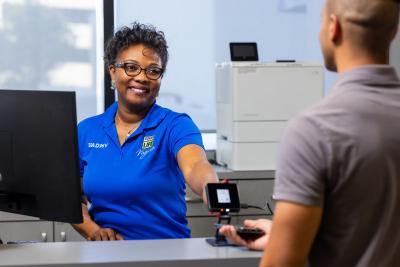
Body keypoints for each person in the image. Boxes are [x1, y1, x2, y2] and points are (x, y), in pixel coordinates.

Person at [220, 0, 400, 266]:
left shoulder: (313, 131)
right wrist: (287, 235)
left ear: (333, 28)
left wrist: (284, 244)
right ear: (393, 30)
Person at [72, 22, 219, 241]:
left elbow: (196, 165)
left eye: (153, 71)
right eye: (131, 67)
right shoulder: (87, 131)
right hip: (107, 255)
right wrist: (94, 231)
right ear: (112, 71)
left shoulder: (175, 125)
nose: (142, 77)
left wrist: (211, 189)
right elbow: (71, 198)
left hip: (168, 254)